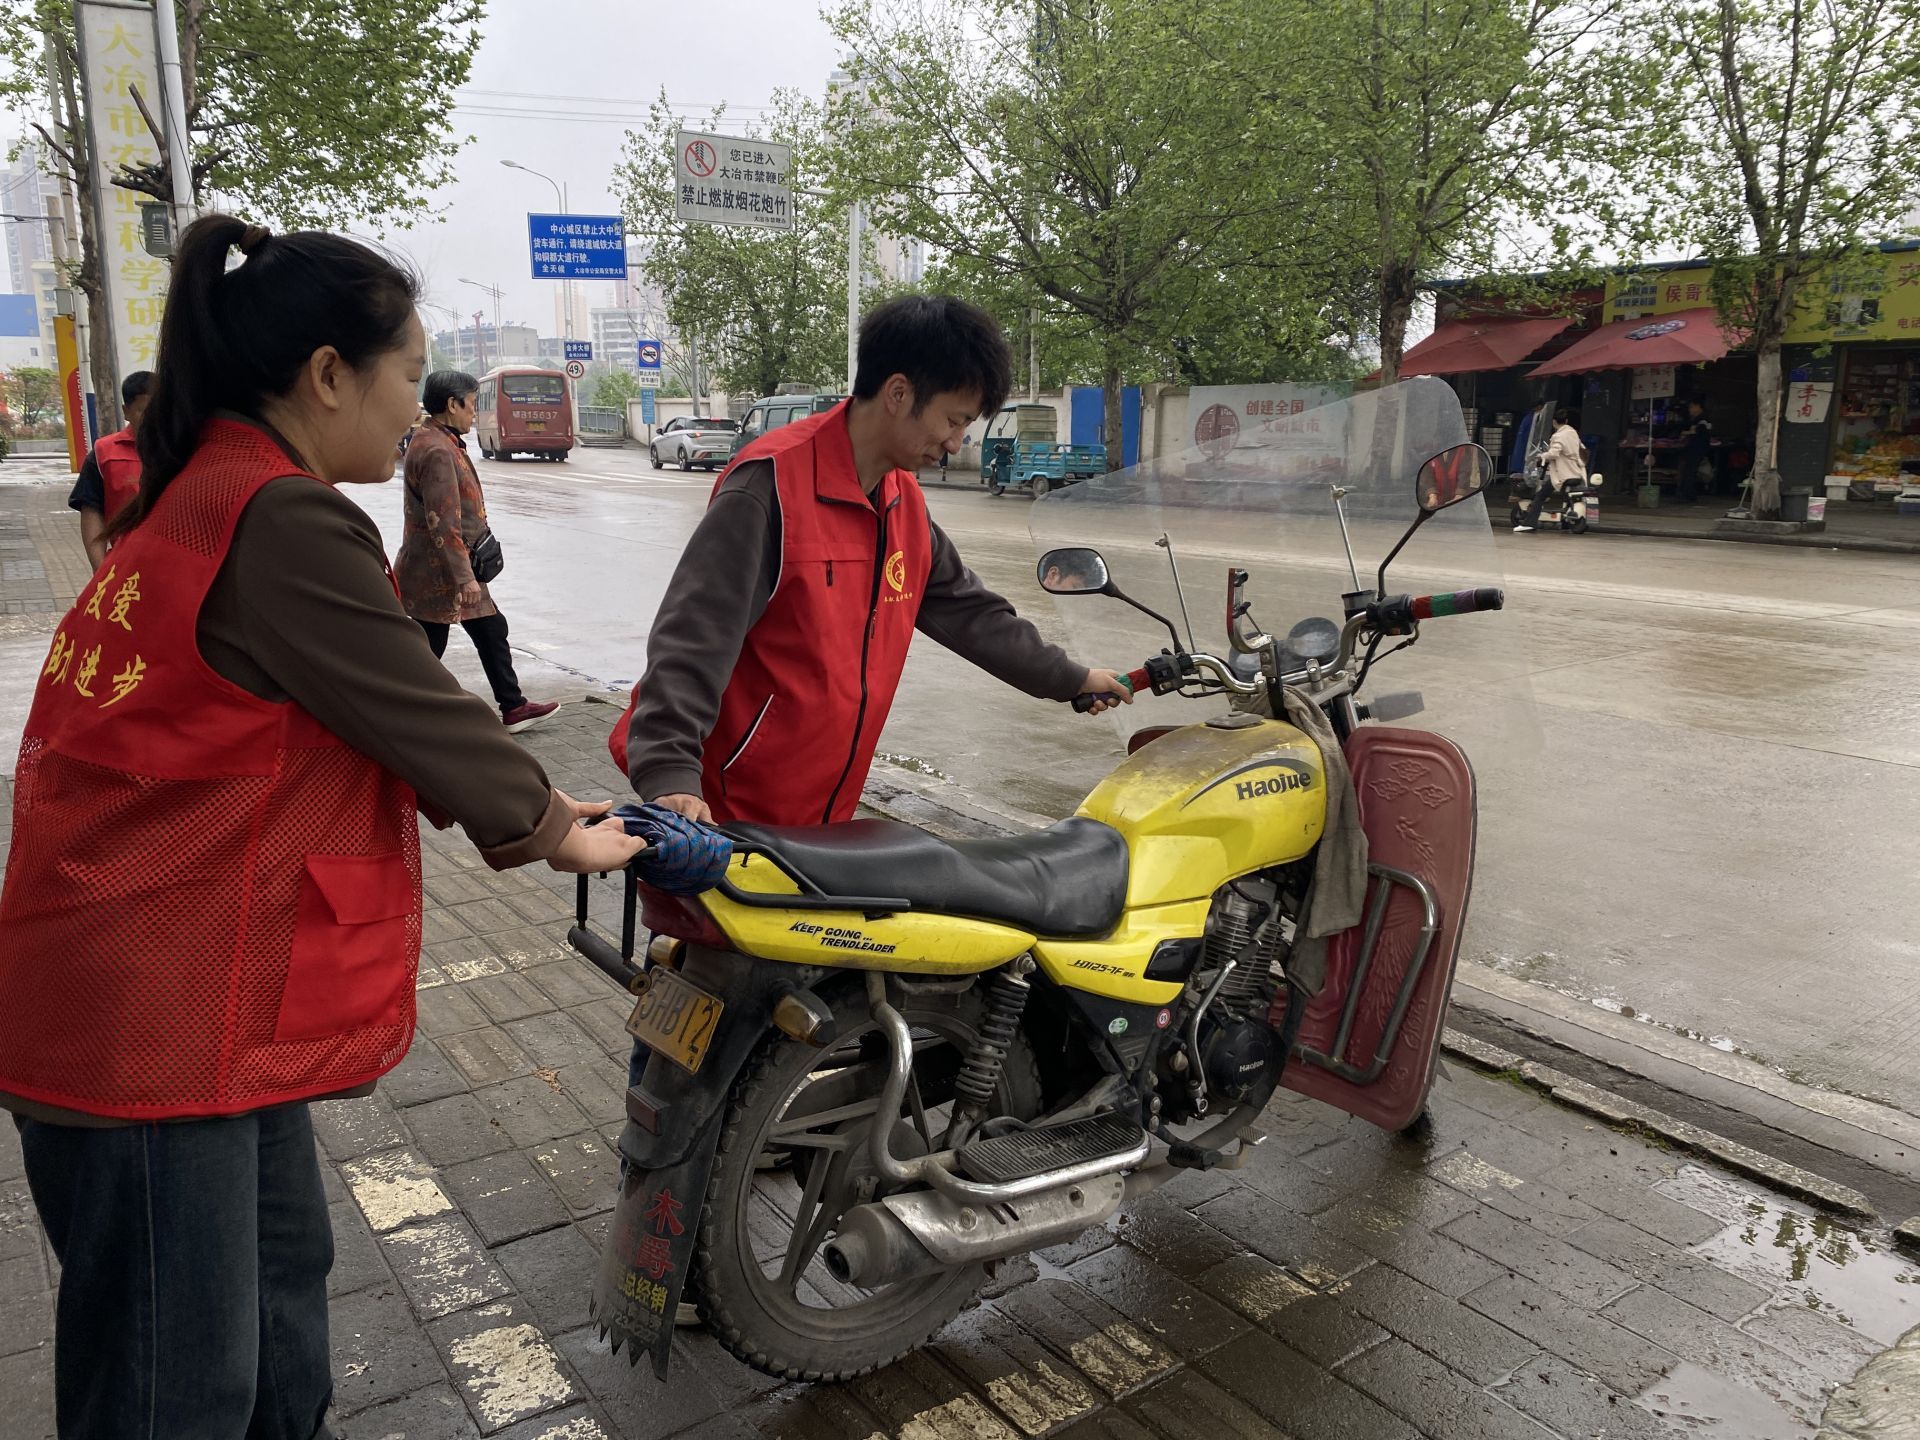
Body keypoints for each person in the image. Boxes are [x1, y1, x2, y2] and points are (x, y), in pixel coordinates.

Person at [0, 214, 646, 1440]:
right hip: (155, 1017)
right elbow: (408, 701)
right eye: (411, 373)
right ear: (330, 373)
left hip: (174, 985)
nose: (417, 408)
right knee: (177, 1390)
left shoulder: (203, 491)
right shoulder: (280, 516)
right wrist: (554, 827)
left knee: (280, 1311)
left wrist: (539, 808)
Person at [609, 293, 1133, 831]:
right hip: (724, 816)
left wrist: (1070, 678)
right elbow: (692, 639)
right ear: (898, 393)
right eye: (953, 420)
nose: (957, 443)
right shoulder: (769, 487)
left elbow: (971, 613)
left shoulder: (902, 501)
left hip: (824, 814)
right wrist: (670, 772)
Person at [396, 370, 559, 733]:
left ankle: (513, 706)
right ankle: (400, 718)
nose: (474, 411)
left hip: (449, 567)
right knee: (428, 648)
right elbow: (443, 522)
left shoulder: (438, 440)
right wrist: (465, 578)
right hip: (441, 573)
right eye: (471, 404)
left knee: (490, 629)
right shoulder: (437, 450)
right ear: (452, 405)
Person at [66, 370, 153, 570]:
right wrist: (100, 569)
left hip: (176, 566)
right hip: (125, 565)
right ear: (126, 411)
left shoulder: (183, 451)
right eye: (144, 411)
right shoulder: (103, 454)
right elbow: (92, 511)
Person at [1520, 406, 1584, 533]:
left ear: (1554, 422)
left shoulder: (1558, 436)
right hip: (1576, 471)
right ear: (1566, 421)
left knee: (1540, 495)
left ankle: (1529, 523)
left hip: (1563, 473)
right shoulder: (1573, 433)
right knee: (1564, 494)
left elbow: (1554, 453)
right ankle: (1565, 520)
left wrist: (1542, 456)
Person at [1678, 399, 1712, 503]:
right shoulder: (1694, 419)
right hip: (1692, 448)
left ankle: (1689, 495)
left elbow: (1699, 431)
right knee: (1687, 471)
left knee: (1690, 471)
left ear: (1698, 407)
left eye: (1691, 407)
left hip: (1698, 449)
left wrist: (1685, 433)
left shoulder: (1703, 419)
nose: (1690, 410)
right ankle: (1686, 493)